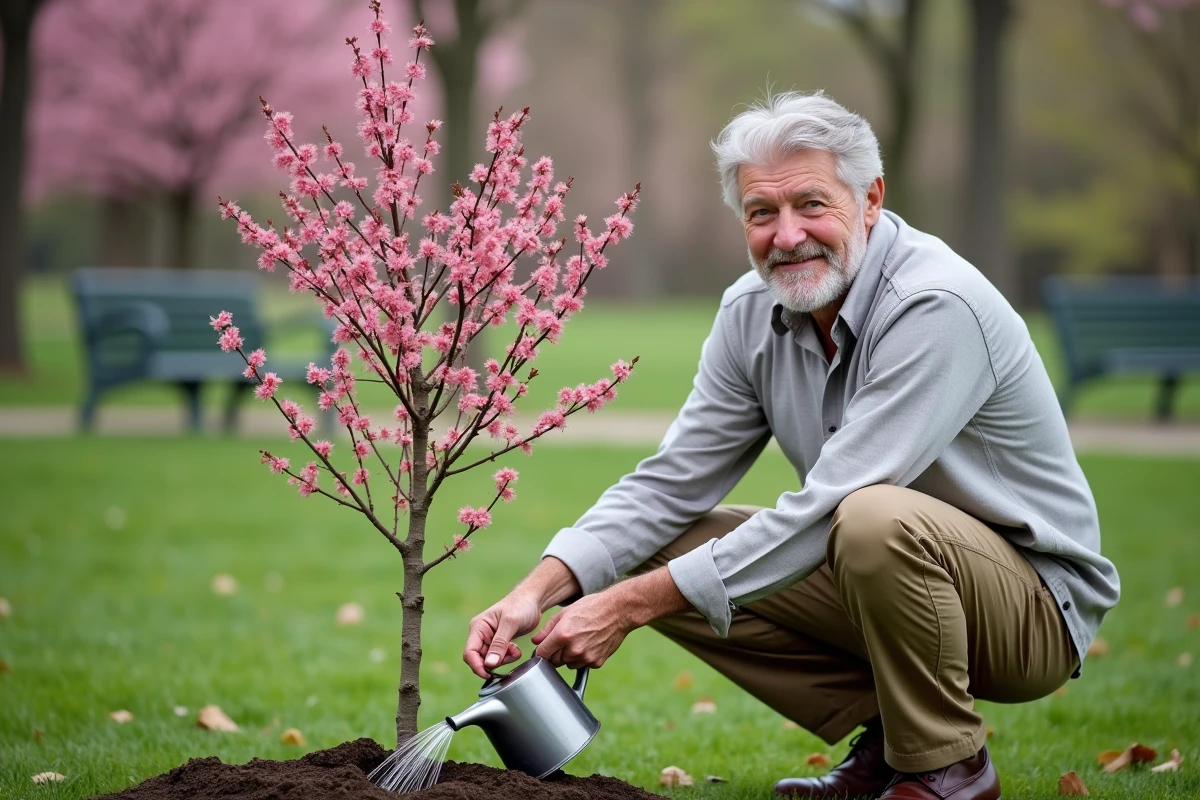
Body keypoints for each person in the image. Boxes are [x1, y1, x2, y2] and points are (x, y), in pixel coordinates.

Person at [462, 91, 1120, 800]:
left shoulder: (936, 305)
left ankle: (946, 769)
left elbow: (833, 505)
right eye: (761, 213)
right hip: (888, 572)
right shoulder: (750, 312)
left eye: (811, 204)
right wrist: (539, 590)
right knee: (655, 547)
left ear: (870, 199)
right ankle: (892, 740)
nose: (786, 236)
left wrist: (627, 607)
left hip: (1032, 607)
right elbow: (671, 483)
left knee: (870, 518)